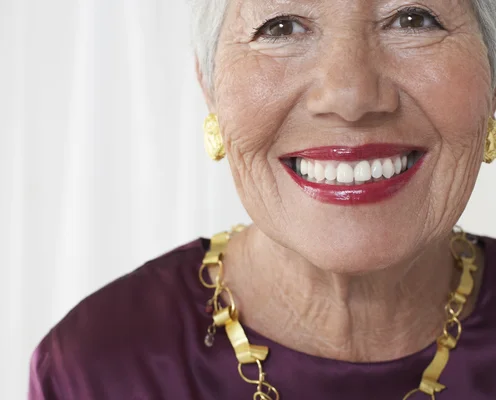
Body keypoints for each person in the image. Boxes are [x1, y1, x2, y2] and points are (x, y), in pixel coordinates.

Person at [28, 0, 496, 398]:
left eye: (413, 19)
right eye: (282, 26)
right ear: (209, 86)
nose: (351, 96)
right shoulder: (95, 372)